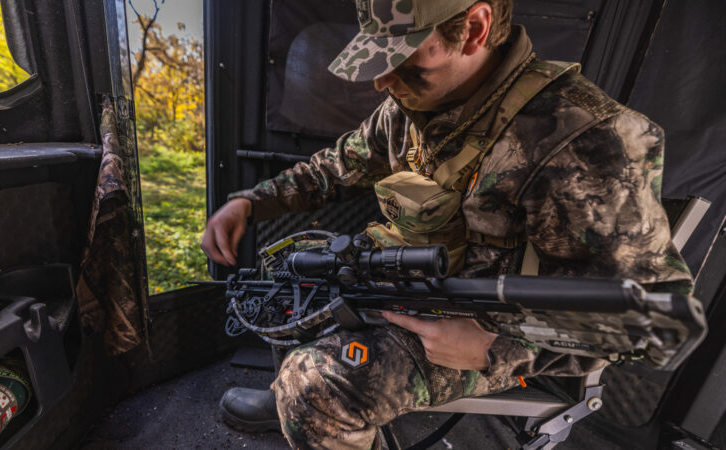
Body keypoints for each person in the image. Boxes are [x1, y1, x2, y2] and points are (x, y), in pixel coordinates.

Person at [201, 0, 693, 448]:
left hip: (494, 330)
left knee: (317, 388)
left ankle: (311, 406)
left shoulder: (584, 140)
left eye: (404, 60)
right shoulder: (409, 107)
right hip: (412, 284)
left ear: (475, 29)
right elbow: (337, 165)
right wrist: (249, 203)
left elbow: (655, 322)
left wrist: (494, 351)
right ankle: (296, 402)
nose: (382, 82)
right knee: (297, 286)